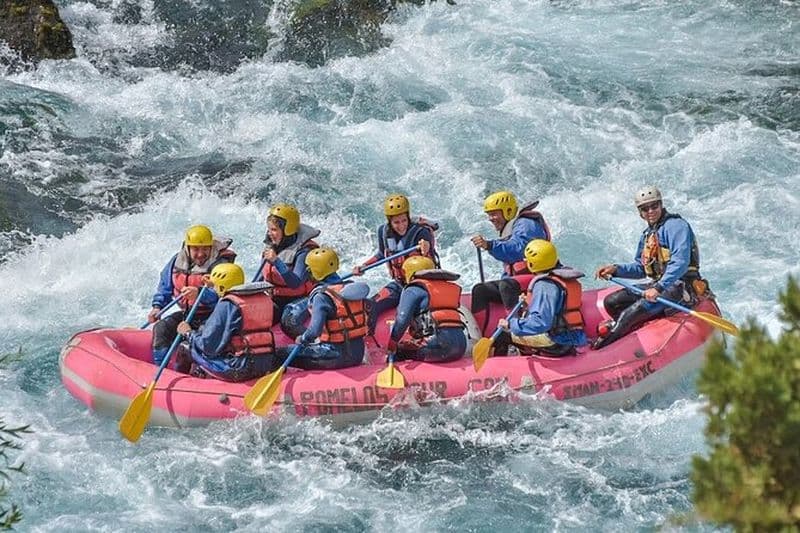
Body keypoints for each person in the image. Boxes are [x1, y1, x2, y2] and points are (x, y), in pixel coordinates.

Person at [593, 185, 709, 349]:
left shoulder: (676, 226)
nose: (651, 211)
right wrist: (616, 269)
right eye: (645, 209)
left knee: (628, 314)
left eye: (654, 206)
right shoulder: (648, 235)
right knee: (611, 302)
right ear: (640, 213)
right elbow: (641, 268)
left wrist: (659, 288)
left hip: (681, 286)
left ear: (661, 204)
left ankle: (602, 348)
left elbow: (681, 263)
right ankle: (631, 330)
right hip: (659, 285)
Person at [147, 224, 236, 366]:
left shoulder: (221, 266)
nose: (200, 254)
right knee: (161, 328)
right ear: (188, 248)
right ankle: (160, 369)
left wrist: (201, 294)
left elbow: (225, 297)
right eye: (196, 249)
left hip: (213, 317)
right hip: (188, 314)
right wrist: (157, 307)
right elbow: (165, 287)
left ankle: (201, 367)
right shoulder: (176, 261)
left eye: (205, 249)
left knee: (202, 338)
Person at [352, 194, 439, 333]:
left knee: (414, 313)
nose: (401, 225)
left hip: (421, 286)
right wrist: (364, 266)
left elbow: (427, 249)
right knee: (371, 305)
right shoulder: (383, 231)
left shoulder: (421, 232)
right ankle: (369, 338)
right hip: (399, 284)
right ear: (389, 221)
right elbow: (382, 254)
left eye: (404, 220)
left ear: (408, 217)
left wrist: (426, 246)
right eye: (396, 222)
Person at [176, 263, 278, 381]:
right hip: (268, 363)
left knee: (185, 347)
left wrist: (188, 333)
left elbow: (207, 346)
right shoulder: (263, 299)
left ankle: (181, 381)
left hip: (240, 369)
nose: (213, 289)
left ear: (221, 287)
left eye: (214, 286)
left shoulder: (227, 305)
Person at [470, 191, 552, 337]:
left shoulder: (526, 224)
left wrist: (490, 245)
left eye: (494, 214)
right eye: (489, 215)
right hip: (519, 281)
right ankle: (480, 337)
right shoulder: (512, 227)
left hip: (538, 279)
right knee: (480, 290)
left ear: (508, 211)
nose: (491, 219)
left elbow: (518, 250)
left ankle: (516, 333)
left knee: (506, 285)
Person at [276, 247, 371, 370]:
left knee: (280, 353)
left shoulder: (321, 297)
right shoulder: (351, 287)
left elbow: (314, 331)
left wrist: (302, 338)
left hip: (334, 357)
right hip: (358, 354)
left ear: (314, 272)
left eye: (309, 270)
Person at [496, 239, 587, 357]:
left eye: (527, 260)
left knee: (501, 335)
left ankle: (502, 365)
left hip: (556, 341)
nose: (525, 261)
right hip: (573, 336)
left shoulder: (544, 285)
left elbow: (541, 322)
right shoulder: (561, 275)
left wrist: (511, 325)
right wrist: (528, 302)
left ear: (532, 264)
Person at [386, 256, 467, 363]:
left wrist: (392, 343)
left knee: (399, 350)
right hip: (461, 346)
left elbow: (402, 319)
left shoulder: (413, 289)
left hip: (439, 347)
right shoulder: (446, 287)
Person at [254, 203, 320, 329]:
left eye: (274, 230)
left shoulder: (304, 251)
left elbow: (295, 283)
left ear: (287, 230)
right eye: (269, 229)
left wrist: (277, 261)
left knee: (289, 320)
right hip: (277, 298)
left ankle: (309, 341)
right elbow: (258, 279)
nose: (269, 234)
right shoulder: (272, 247)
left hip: (302, 299)